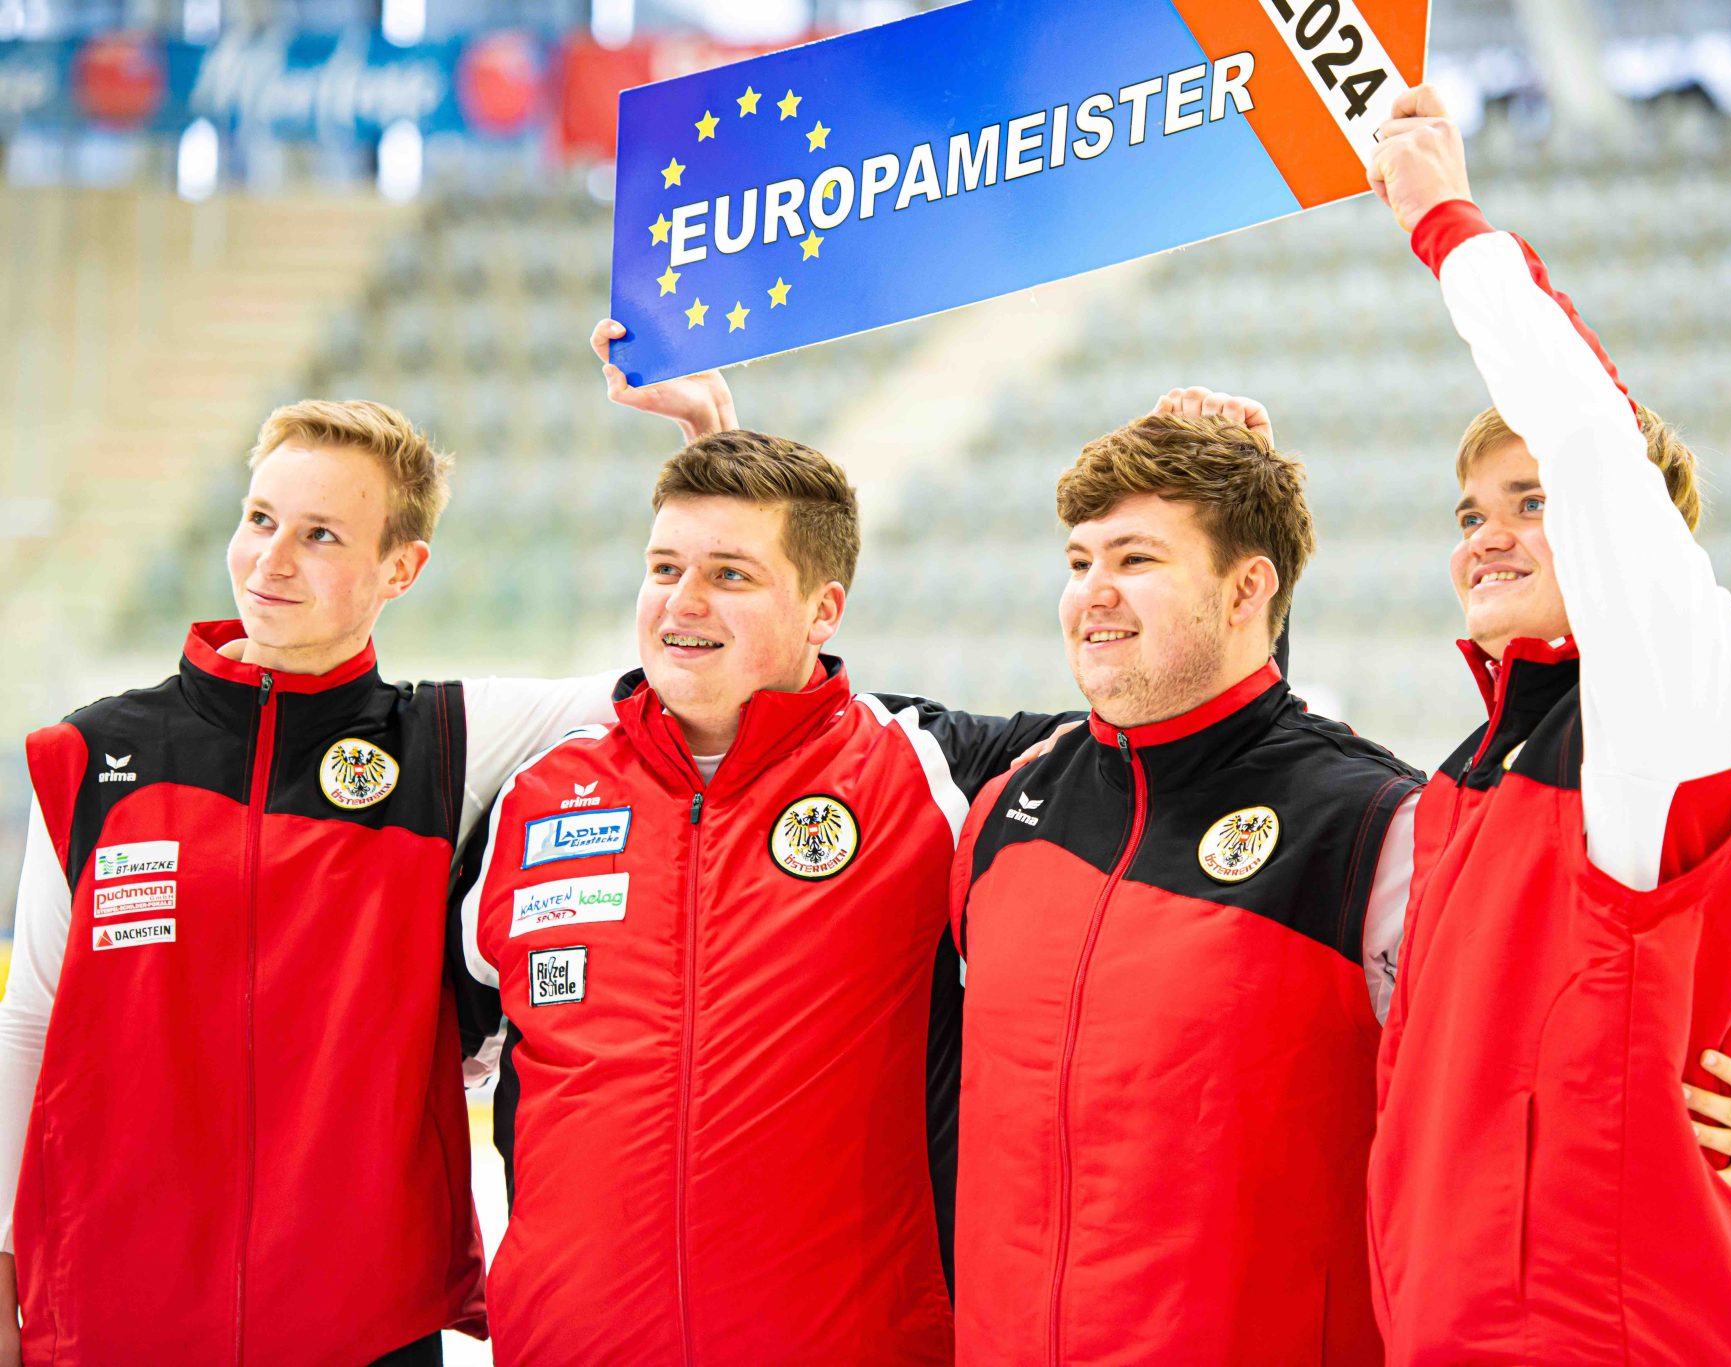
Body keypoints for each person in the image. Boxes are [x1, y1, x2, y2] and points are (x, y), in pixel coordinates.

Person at [0, 400, 644, 1365]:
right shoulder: (93, 754)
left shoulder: (444, 744)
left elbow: (674, 674)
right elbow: (30, 1022)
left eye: (321, 535)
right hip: (117, 1315)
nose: (271, 560)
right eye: (260, 518)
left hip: (363, 1327)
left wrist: (704, 443)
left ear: (402, 568)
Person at [450, 421, 1071, 1362]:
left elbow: (1176, 727)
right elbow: (418, 1075)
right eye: (664, 568)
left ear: (824, 611)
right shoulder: (531, 799)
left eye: (730, 575)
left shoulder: (934, 774)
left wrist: (1227, 519)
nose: (681, 602)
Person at [1362, 87, 1731, 1365]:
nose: (1484, 534)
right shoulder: (1468, 774)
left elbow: (1592, 441)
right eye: (1465, 511)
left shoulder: (1669, 711)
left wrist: (1442, 224)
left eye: (1527, 500)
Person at [945, 407, 1423, 1364]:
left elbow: (1515, 1102)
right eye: (1080, 563)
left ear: (1249, 588)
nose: (1093, 594)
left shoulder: (1375, 826)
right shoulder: (1006, 804)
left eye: (1136, 560)